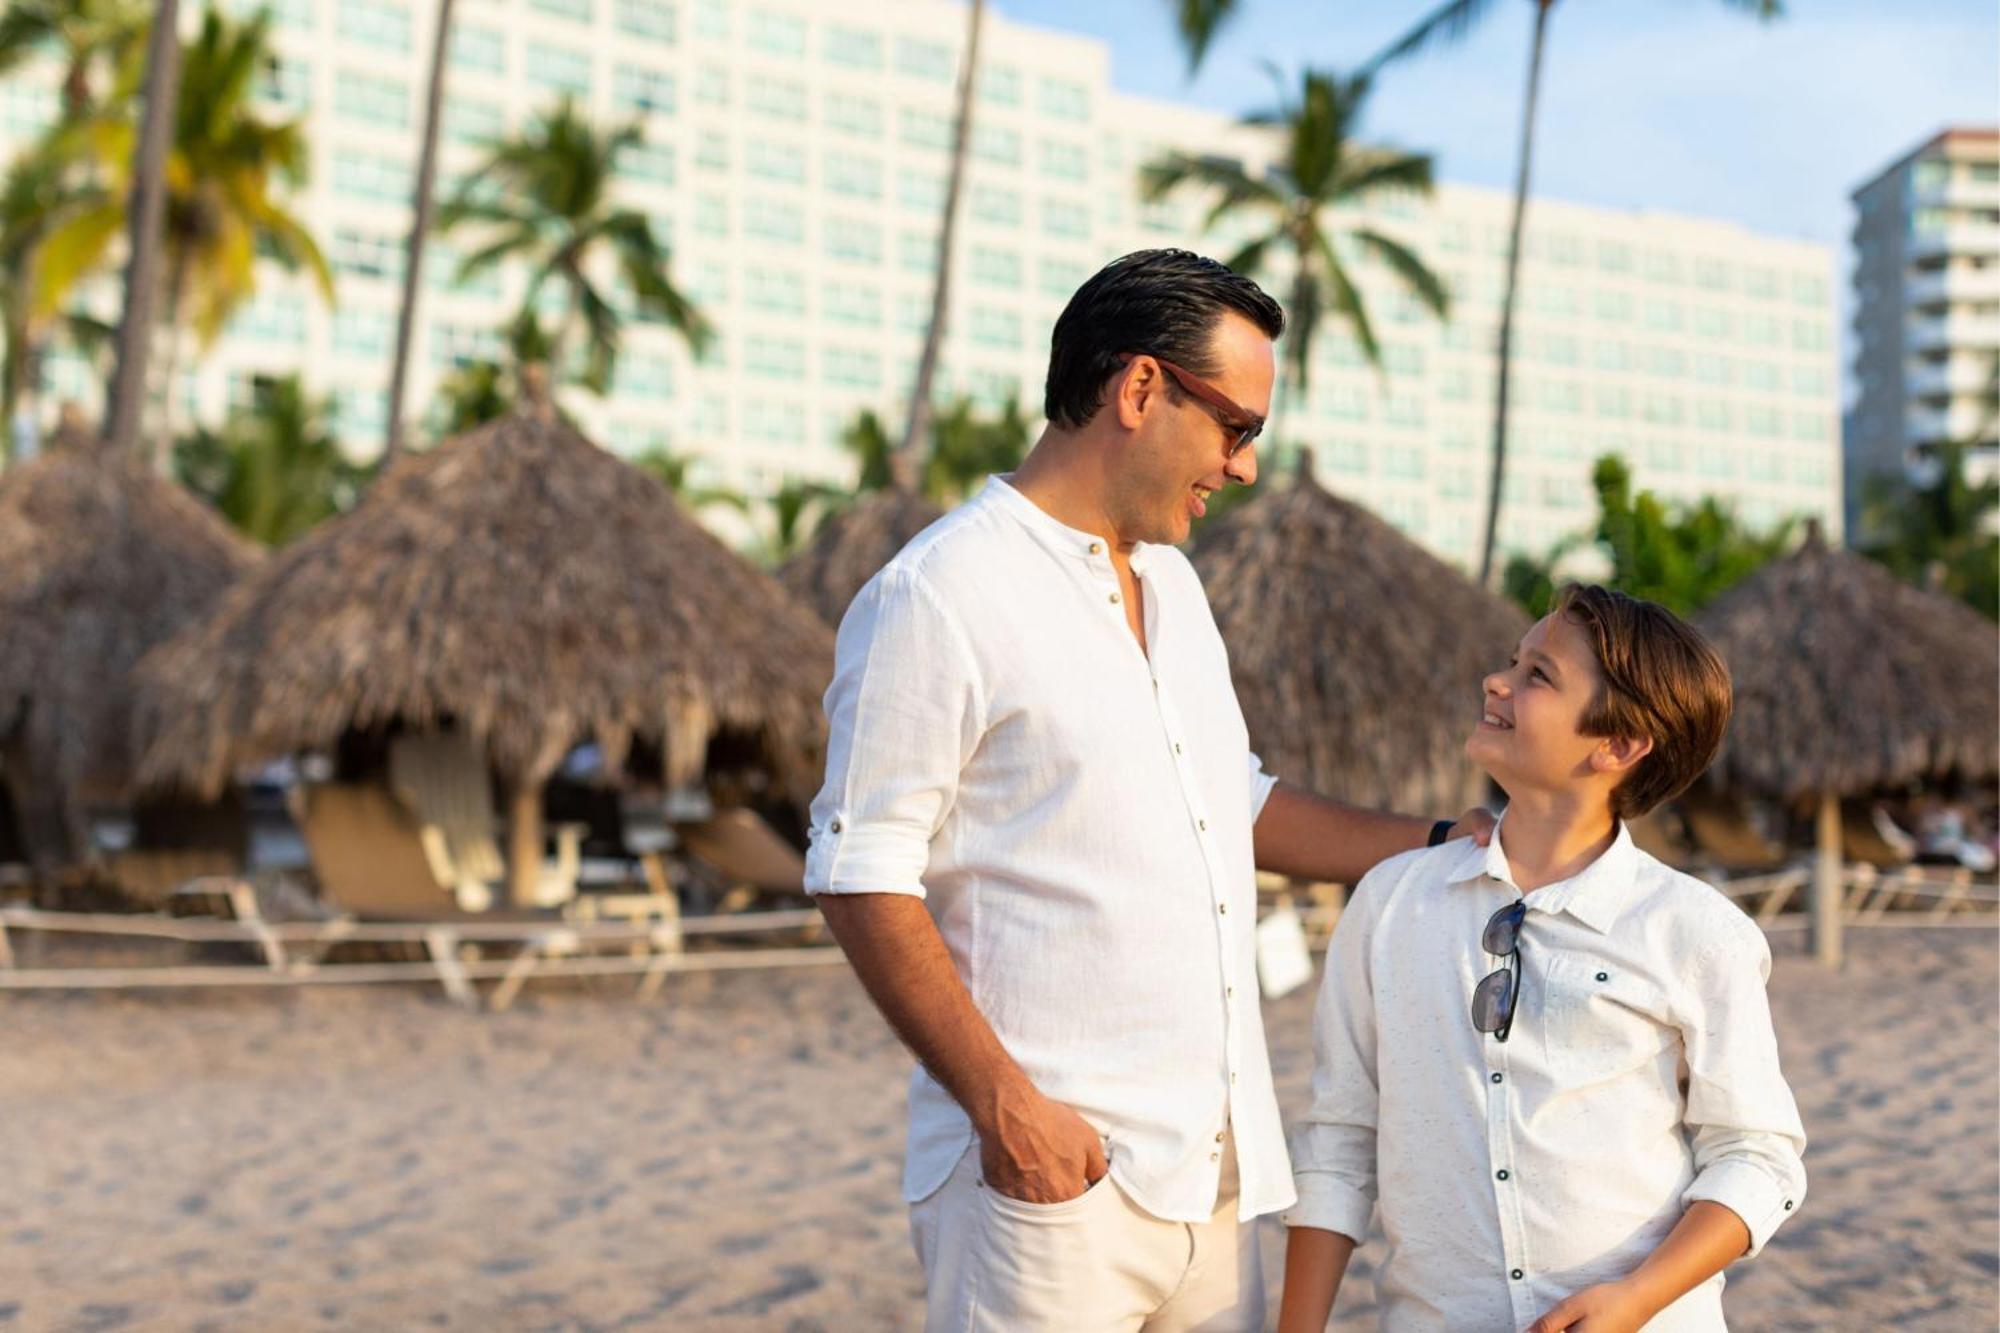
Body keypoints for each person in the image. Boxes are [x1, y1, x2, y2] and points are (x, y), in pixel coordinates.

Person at [803, 249, 1491, 1332]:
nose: (1245, 467)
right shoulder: (939, 593)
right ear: (1137, 389)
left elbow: (1237, 800)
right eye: (1237, 427)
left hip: (1211, 1174)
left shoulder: (1173, 585)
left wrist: (1443, 837)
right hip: (1043, 1185)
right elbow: (857, 871)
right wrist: (1006, 1108)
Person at [1278, 584, 1808, 1333]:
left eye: (1538, 675)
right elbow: (1338, 1141)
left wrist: (1639, 1297)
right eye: (1511, 661)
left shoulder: (1696, 930)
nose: (1497, 682)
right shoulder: (1390, 903)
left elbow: (1758, 1155)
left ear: (1618, 745)